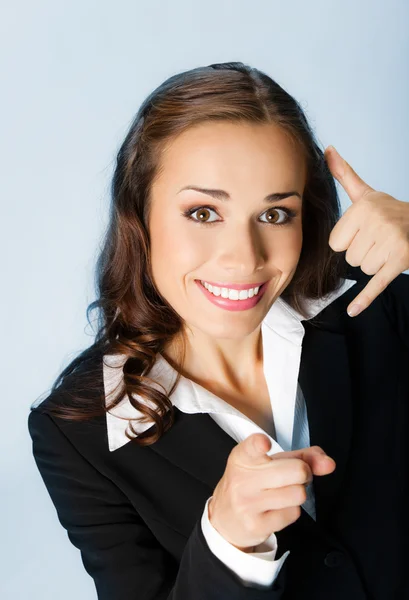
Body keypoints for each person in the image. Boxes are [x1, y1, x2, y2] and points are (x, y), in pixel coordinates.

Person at [27, 62, 409, 599]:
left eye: (275, 215)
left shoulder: (377, 308)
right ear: (139, 213)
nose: (243, 259)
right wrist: (228, 542)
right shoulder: (80, 432)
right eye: (204, 213)